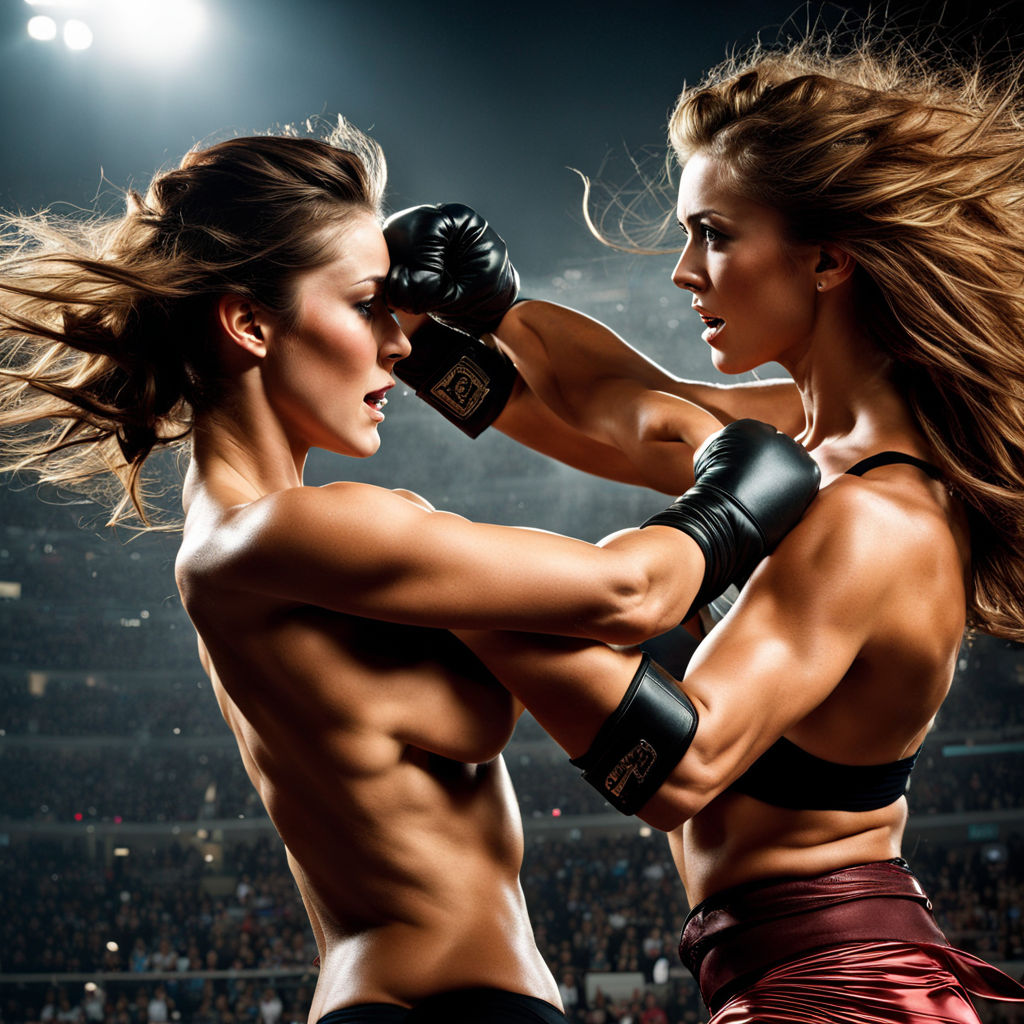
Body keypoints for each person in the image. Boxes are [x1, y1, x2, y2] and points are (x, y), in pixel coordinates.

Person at [0, 125, 819, 1022]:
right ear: (248, 323)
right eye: (365, 307)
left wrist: (474, 321)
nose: (396, 343)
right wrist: (735, 501)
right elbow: (630, 591)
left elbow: (592, 428)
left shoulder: (261, 543)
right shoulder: (291, 532)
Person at [383, 28, 1024, 1024]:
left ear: (826, 259)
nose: (685, 271)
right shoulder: (793, 442)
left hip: (839, 993)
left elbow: (683, 768)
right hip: (786, 974)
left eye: (715, 235)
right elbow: (593, 407)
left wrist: (443, 580)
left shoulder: (876, 516)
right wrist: (460, 317)